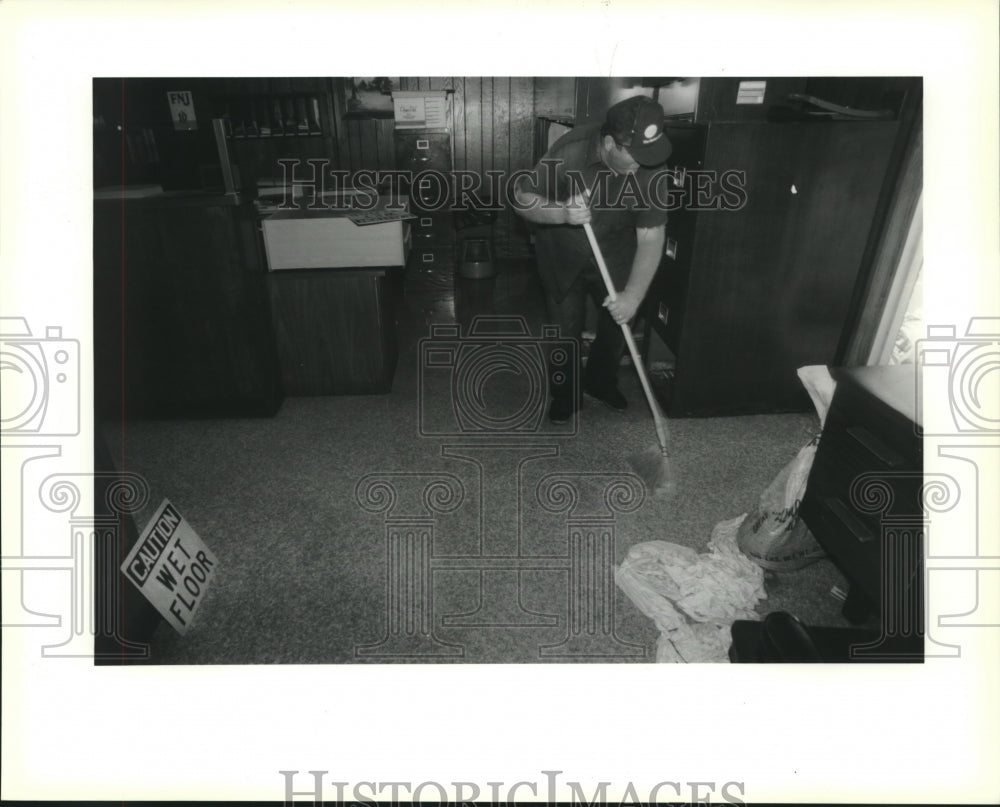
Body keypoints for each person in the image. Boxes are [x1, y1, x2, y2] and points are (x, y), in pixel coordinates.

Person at [514, 95, 672, 423]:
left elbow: (652, 234)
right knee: (564, 327)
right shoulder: (569, 151)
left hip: (616, 251)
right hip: (562, 251)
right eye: (636, 155)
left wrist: (633, 295)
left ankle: (601, 383)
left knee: (618, 324)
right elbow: (523, 198)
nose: (643, 164)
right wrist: (561, 213)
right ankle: (566, 395)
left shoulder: (651, 166)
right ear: (610, 143)